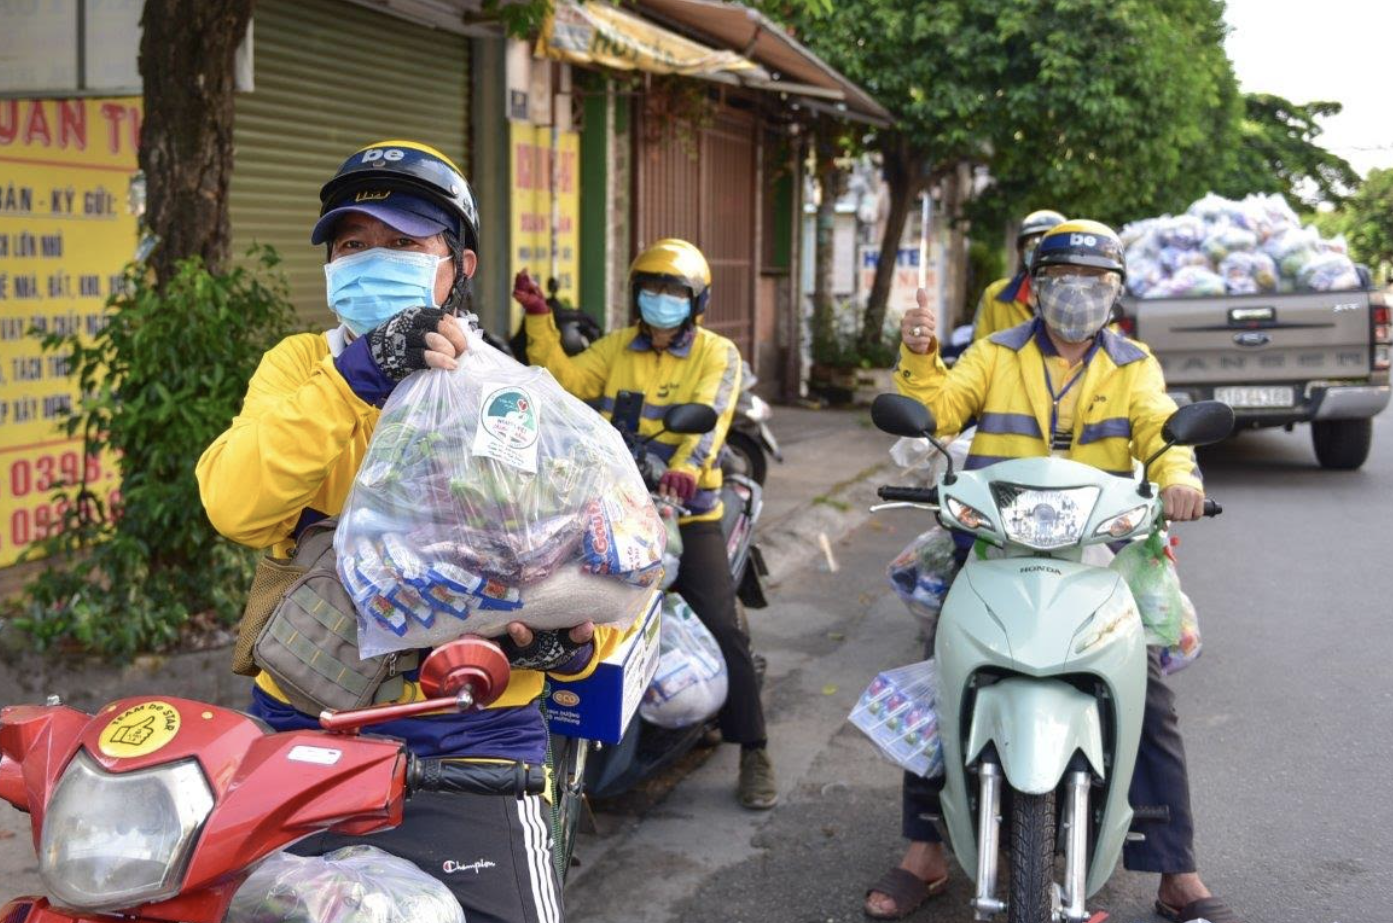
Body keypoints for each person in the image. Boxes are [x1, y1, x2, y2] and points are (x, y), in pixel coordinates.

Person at [198, 139, 616, 923]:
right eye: (353, 244)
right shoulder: (300, 368)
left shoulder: (511, 393)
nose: (370, 259)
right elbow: (236, 505)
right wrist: (356, 378)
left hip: (473, 735)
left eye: (402, 244)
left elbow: (569, 555)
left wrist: (567, 646)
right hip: (306, 722)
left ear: (460, 265)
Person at [865, 220, 1246, 923]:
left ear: (1116, 294)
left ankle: (1174, 867)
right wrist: (919, 353)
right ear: (1037, 289)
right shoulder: (993, 352)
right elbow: (939, 414)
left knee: (1149, 693)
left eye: (1096, 284)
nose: (1080, 297)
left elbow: (1164, 435)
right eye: (1065, 282)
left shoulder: (1133, 365)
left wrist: (1179, 479)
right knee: (939, 674)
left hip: (1093, 553)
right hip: (994, 546)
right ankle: (925, 849)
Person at [513, 238, 778, 810]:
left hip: (690, 509)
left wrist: (683, 472)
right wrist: (538, 318)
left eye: (674, 291)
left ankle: (754, 750)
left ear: (696, 300)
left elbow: (710, 424)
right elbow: (561, 380)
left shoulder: (718, 353)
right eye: (651, 288)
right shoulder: (616, 348)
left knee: (719, 622)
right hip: (608, 508)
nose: (661, 299)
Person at [970, 208, 1067, 339]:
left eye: (1050, 247)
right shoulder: (996, 295)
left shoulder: (1082, 297)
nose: (1041, 253)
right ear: (1020, 251)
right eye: (1033, 245)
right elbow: (976, 351)